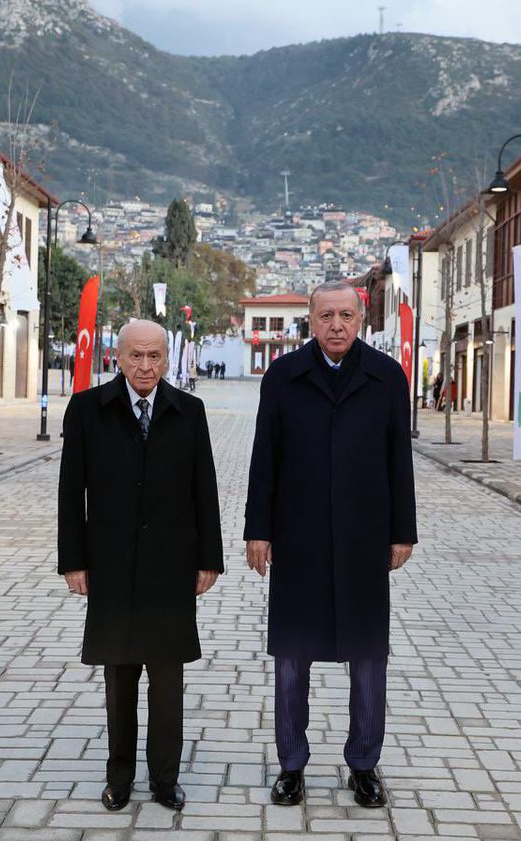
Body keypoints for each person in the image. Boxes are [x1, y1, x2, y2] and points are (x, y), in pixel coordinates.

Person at [244, 280, 417, 809]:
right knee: (292, 657)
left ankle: (364, 763)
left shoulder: (386, 377)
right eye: (326, 316)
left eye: (345, 315)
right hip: (300, 539)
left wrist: (402, 531)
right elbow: (263, 458)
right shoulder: (283, 377)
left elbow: (398, 461)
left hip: (364, 538)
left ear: (360, 320)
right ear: (310, 321)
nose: (336, 325)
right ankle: (291, 764)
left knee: (368, 657)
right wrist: (258, 529)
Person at [58, 319, 224, 813]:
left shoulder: (188, 412)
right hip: (111, 564)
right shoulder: (88, 410)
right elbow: (71, 493)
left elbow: (205, 490)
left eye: (155, 357)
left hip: (171, 566)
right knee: (120, 677)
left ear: (167, 359)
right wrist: (74, 561)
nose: (145, 366)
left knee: (168, 680)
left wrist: (208, 559)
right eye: (136, 356)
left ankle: (165, 779)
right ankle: (119, 777)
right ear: (119, 356)